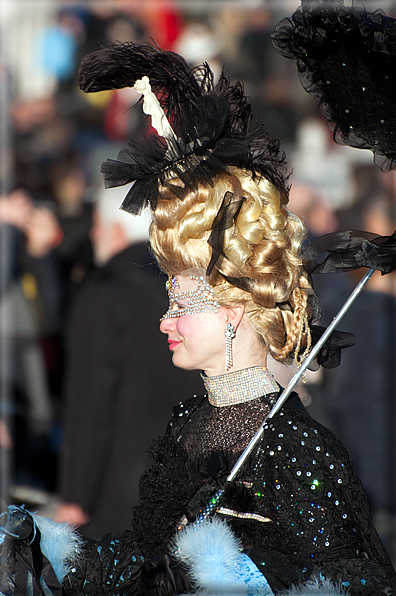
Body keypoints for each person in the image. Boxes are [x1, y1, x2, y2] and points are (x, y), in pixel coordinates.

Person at [3, 23, 396, 596]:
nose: (165, 319)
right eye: (169, 297)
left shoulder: (298, 446)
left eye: (184, 301)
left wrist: (239, 577)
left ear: (237, 309)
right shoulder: (191, 424)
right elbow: (137, 553)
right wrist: (46, 552)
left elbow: (358, 582)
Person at [56, 186, 203, 537]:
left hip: (116, 487)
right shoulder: (185, 292)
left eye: (97, 226)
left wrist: (75, 495)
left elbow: (89, 406)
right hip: (186, 481)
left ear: (116, 232)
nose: (92, 235)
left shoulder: (103, 297)